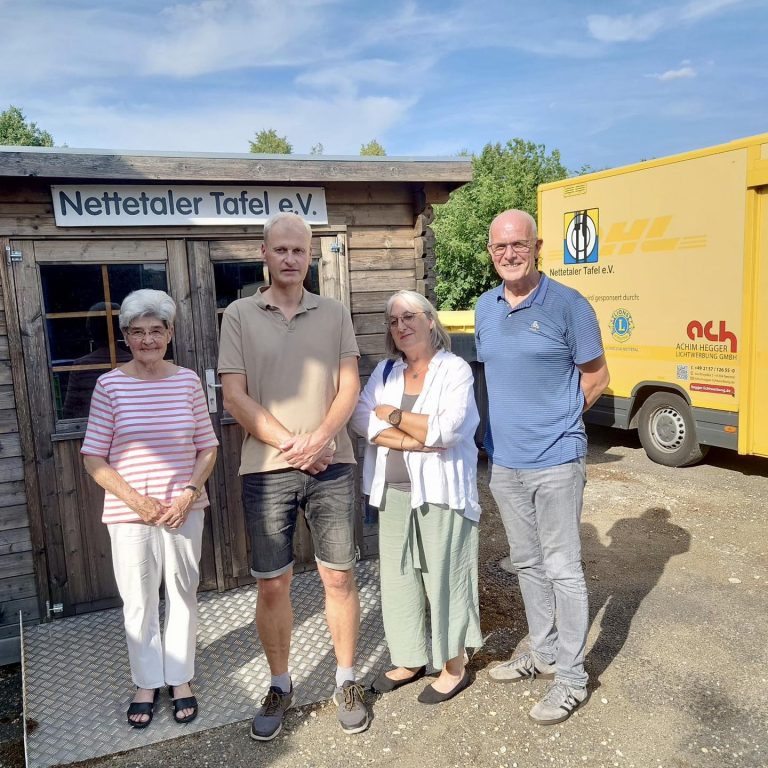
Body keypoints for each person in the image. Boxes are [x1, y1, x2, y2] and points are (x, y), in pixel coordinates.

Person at [217, 212, 368, 739]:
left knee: (340, 576)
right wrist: (294, 445)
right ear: (265, 253)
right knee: (273, 585)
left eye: (298, 251)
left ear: (310, 256)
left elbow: (349, 386)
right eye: (280, 250)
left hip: (333, 464)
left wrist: (323, 439)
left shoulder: (334, 313)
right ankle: (281, 682)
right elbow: (235, 395)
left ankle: (346, 678)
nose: (289, 258)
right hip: (267, 470)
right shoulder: (238, 314)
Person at [476, 209, 609, 725]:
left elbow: (595, 375)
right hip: (505, 463)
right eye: (500, 247)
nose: (509, 254)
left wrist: (557, 423)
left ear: (537, 246)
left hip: (556, 461)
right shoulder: (487, 308)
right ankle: (545, 650)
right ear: (492, 253)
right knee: (527, 563)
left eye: (519, 245)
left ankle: (572, 677)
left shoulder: (568, 305)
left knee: (563, 568)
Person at [81, 289, 219, 728]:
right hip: (129, 514)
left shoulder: (188, 381)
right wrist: (136, 501)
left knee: (182, 593)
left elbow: (208, 447)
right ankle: (146, 681)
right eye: (137, 332)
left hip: (182, 510)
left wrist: (189, 493)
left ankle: (180, 678)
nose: (147, 340)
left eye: (155, 331)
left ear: (169, 333)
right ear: (125, 337)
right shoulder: (110, 385)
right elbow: (93, 457)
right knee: (138, 601)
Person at [351, 290, 483, 703]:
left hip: (442, 492)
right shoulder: (386, 372)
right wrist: (409, 441)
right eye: (393, 320)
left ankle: (453, 665)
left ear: (429, 320)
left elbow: (446, 431)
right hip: (391, 492)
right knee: (399, 578)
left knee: (445, 577)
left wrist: (390, 415)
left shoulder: (455, 369)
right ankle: (409, 658)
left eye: (409, 316)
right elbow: (358, 417)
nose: (401, 326)